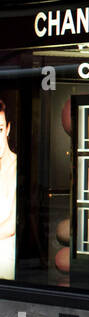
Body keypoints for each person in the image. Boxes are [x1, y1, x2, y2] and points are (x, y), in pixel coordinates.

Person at [0, 99, 16, 278]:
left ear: (8, 129)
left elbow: (12, 224)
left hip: (7, 262)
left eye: (0, 129)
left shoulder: (18, 168)